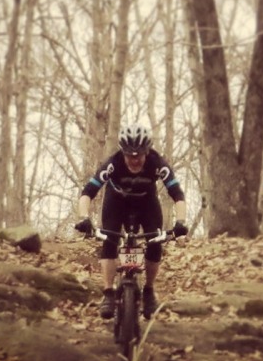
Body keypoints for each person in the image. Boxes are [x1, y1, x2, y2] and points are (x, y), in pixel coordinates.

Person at [75, 123, 188, 320]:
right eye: (129, 155)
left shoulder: (157, 162)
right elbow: (88, 192)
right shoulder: (113, 163)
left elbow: (177, 194)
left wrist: (181, 221)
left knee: (155, 242)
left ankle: (149, 291)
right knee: (109, 240)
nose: (134, 160)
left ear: (147, 151)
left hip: (146, 202)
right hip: (116, 202)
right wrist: (84, 217)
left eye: (139, 156)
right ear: (122, 152)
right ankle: (108, 293)